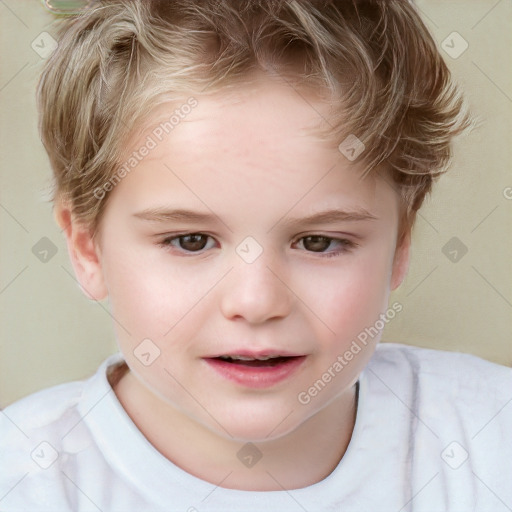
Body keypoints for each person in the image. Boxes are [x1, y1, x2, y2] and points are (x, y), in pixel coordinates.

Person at [1, 1, 510, 510]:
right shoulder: (26, 480)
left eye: (318, 242)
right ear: (87, 247)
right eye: (190, 241)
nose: (256, 301)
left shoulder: (489, 439)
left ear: (401, 245)